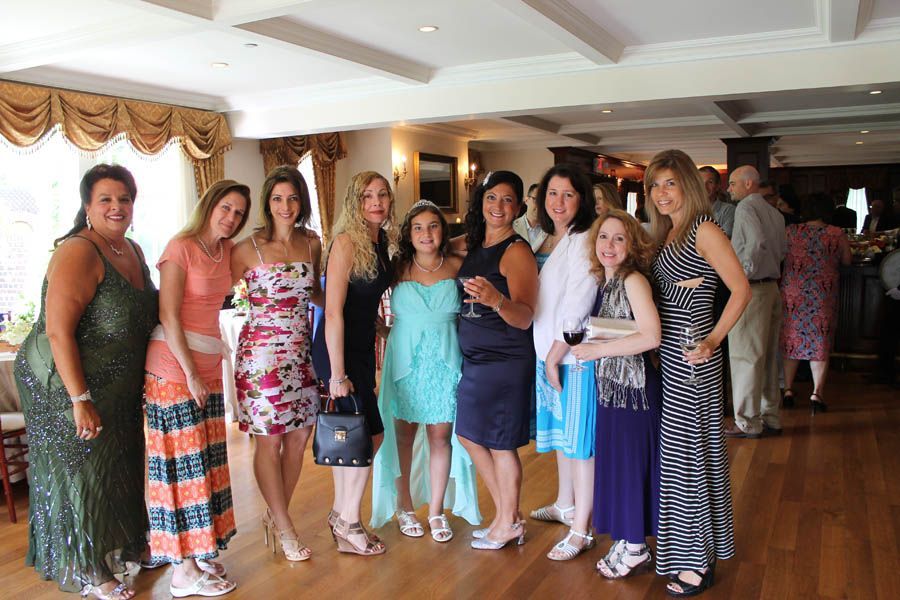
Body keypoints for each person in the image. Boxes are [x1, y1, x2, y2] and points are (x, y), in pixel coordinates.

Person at [13, 164, 157, 599]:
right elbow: (58, 332)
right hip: (64, 379)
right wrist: (80, 398)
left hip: (117, 381)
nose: (117, 207)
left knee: (121, 460)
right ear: (87, 206)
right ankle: (92, 568)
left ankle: (128, 542)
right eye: (105, 199)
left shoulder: (131, 249)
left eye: (124, 199)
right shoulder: (79, 251)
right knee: (83, 469)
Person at [646, 149, 751, 596]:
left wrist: (712, 340)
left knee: (690, 458)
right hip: (669, 357)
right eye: (655, 185)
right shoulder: (667, 232)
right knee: (681, 459)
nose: (661, 193)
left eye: (670, 183)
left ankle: (698, 563)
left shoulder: (703, 229)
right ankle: (692, 550)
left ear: (688, 184)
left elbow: (741, 290)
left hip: (693, 359)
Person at [144, 179, 251, 597]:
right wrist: (189, 373)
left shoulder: (227, 251)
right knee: (181, 468)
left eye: (239, 212)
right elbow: (168, 315)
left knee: (206, 464)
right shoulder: (180, 247)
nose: (231, 217)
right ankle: (182, 570)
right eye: (226, 208)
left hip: (206, 364)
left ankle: (200, 551)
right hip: (174, 368)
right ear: (209, 205)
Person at [370, 200, 480, 542]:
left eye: (433, 226)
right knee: (402, 437)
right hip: (405, 364)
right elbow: (364, 300)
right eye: (418, 227)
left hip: (446, 362)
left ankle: (436, 511)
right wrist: (384, 331)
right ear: (408, 234)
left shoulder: (459, 266)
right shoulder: (397, 268)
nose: (426, 233)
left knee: (441, 437)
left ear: (443, 231)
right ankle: (404, 507)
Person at [231, 166, 323, 561]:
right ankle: (285, 527)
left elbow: (316, 294)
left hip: (301, 353)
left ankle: (276, 513)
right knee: (269, 440)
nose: (285, 206)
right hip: (261, 357)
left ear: (302, 202)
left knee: (299, 438)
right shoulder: (245, 249)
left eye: (293, 198)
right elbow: (212, 293)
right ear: (267, 203)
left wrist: (350, 310)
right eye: (277, 199)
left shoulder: (313, 243)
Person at [571, 209, 662, 579]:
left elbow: (651, 336)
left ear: (632, 245)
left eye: (619, 238)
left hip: (635, 393)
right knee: (617, 465)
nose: (609, 245)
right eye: (604, 237)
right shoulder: (606, 281)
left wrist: (597, 351)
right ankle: (627, 537)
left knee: (631, 466)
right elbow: (618, 330)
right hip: (612, 389)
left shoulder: (633, 280)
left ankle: (636, 547)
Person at [311, 171, 398, 556]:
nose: (376, 202)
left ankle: (340, 514)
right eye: (367, 196)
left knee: (350, 434)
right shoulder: (346, 242)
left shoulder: (380, 242)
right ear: (354, 202)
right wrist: (337, 374)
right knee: (368, 435)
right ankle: (349, 522)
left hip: (360, 346)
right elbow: (332, 312)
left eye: (382, 195)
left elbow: (364, 300)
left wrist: (379, 328)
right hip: (338, 350)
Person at [453, 170, 538, 550]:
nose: (498, 206)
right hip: (476, 361)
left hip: (505, 360)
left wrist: (496, 300)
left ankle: (506, 522)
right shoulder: (476, 243)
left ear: (518, 208)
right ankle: (508, 515)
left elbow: (525, 316)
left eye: (507, 200)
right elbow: (433, 242)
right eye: (492, 197)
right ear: (482, 202)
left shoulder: (516, 251)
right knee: (469, 435)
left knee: (500, 443)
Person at [529, 163, 599, 561]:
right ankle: (564, 503)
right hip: (549, 355)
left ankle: (581, 529)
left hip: (572, 358)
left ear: (582, 199)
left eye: (568, 194)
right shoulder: (550, 237)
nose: (559, 202)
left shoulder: (585, 238)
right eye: (552, 193)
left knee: (579, 444)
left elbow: (577, 303)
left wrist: (555, 358)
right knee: (561, 437)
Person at [726, 165, 788, 439]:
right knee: (768, 358)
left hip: (752, 290)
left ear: (749, 183)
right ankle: (770, 417)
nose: (729, 188)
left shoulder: (746, 208)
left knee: (746, 356)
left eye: (733, 183)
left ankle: (747, 422)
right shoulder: (775, 213)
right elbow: (781, 251)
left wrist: (742, 276)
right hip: (772, 288)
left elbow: (756, 242)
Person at [780, 193, 852, 412]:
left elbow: (780, 256)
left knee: (792, 340)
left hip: (794, 294)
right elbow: (847, 260)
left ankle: (788, 390)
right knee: (820, 341)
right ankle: (816, 393)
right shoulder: (836, 233)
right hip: (822, 294)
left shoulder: (791, 231)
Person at [698, 166, 735, 238]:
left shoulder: (728, 211)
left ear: (717, 186)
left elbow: (724, 239)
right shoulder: (688, 211)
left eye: (710, 182)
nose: (704, 186)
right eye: (700, 182)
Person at [513, 183, 547, 252]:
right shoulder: (512, 227)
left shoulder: (550, 230)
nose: (540, 205)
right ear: (526, 200)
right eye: (536, 200)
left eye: (544, 201)